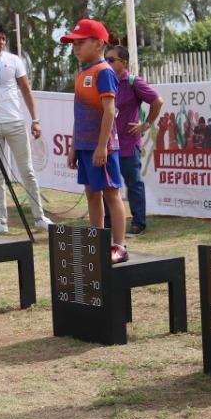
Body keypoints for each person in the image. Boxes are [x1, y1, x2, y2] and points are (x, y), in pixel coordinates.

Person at [0, 20, 54, 235]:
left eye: (3, 39)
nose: (1, 42)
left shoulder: (13, 60)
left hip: (15, 122)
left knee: (27, 171)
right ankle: (1, 220)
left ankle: (39, 217)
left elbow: (26, 90)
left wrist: (35, 119)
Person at [62, 18, 128, 263]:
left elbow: (109, 111)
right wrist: (73, 147)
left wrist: (102, 145)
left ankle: (119, 246)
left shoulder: (104, 72)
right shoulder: (82, 73)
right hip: (84, 146)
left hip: (103, 147)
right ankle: (97, 241)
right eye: (73, 44)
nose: (76, 48)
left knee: (111, 194)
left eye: (80, 43)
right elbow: (79, 114)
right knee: (91, 193)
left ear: (99, 43)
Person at [106, 45, 161, 235]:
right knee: (108, 185)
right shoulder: (105, 80)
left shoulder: (132, 82)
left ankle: (138, 222)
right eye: (106, 59)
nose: (107, 63)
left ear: (123, 62)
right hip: (108, 145)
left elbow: (157, 101)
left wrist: (145, 125)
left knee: (133, 183)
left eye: (111, 60)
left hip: (128, 144)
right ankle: (108, 224)